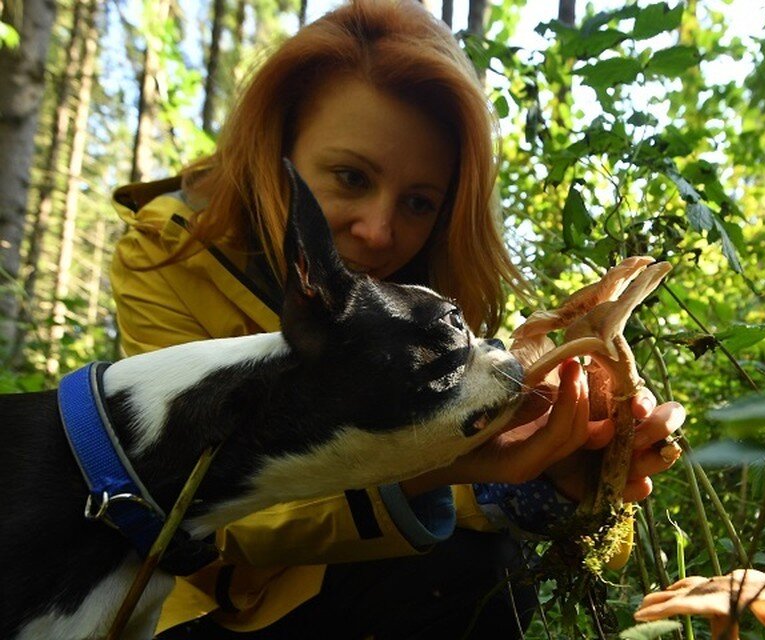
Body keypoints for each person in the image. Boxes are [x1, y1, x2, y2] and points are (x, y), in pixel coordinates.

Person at [109, 0, 686, 637]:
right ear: (277, 145)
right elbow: (188, 501)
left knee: (479, 563)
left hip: (399, 581)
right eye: (350, 177)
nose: (381, 232)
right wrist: (457, 468)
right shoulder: (168, 254)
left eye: (419, 201)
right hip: (210, 604)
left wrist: (562, 479)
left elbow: (499, 506)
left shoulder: (430, 292)